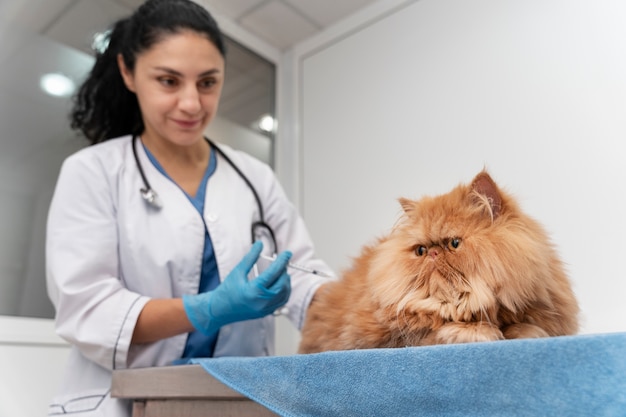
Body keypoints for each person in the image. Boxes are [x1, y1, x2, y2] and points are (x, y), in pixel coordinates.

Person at [45, 0, 333, 415]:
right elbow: (88, 308)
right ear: (128, 72)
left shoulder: (254, 177)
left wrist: (378, 299)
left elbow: (303, 277)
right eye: (168, 81)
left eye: (207, 83)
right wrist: (207, 309)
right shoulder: (94, 172)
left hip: (237, 399)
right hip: (125, 401)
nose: (192, 104)